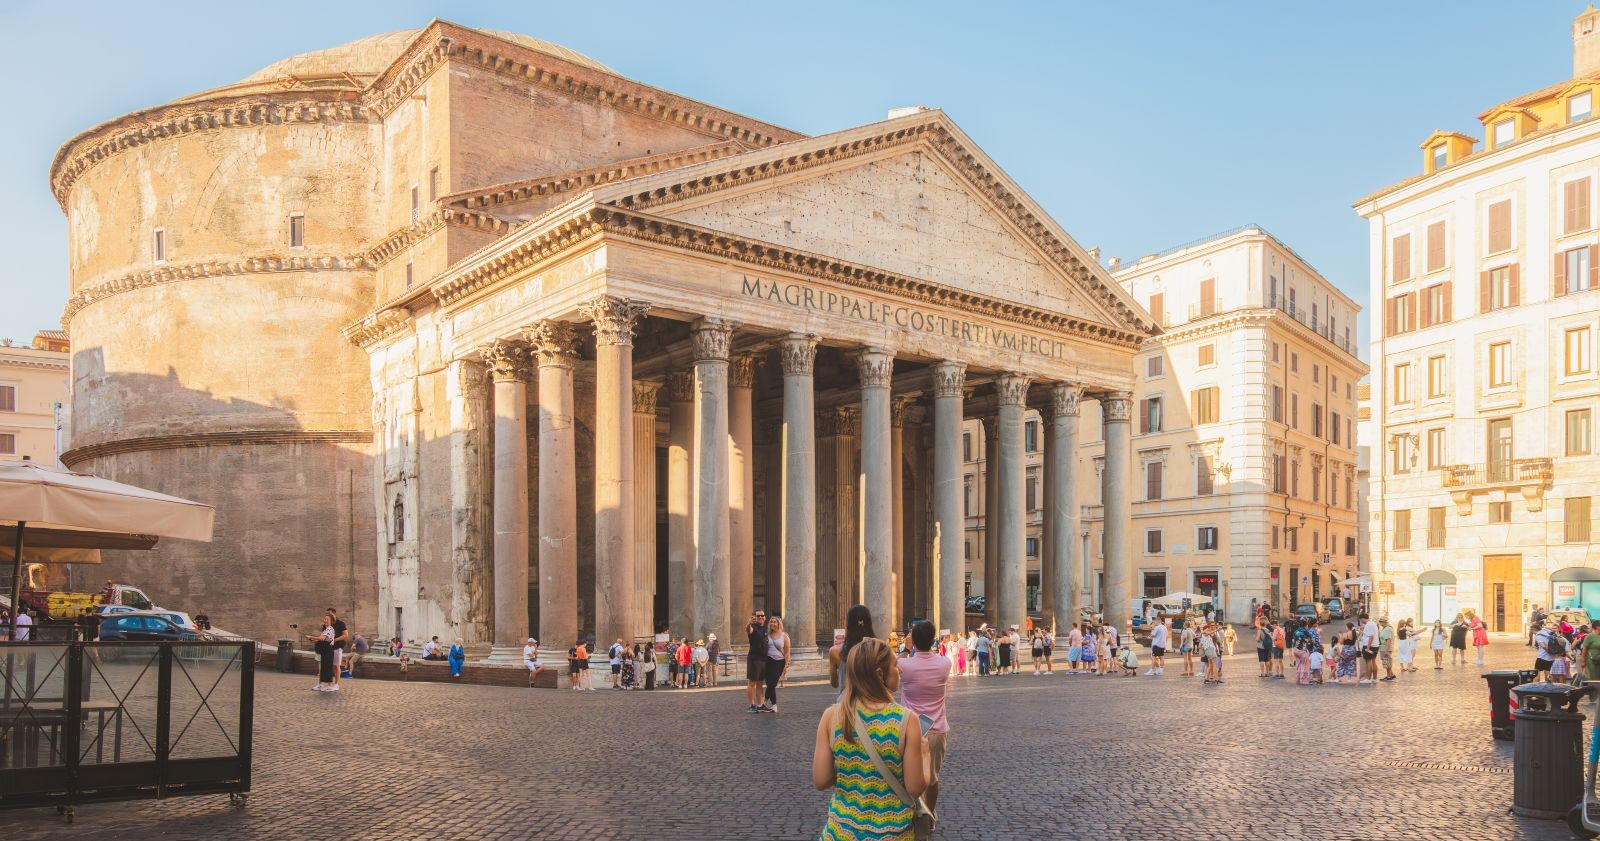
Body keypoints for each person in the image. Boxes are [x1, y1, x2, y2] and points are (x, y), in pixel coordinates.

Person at [811, 638, 926, 841]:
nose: (899, 671)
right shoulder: (907, 720)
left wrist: (853, 763)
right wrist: (925, 756)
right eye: (895, 665)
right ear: (880, 674)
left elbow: (821, 780)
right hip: (892, 833)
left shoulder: (831, 716)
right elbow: (915, 787)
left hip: (840, 832)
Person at [898, 620, 950, 815]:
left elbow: (895, 663)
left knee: (908, 775)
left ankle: (915, 812)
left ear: (913, 641)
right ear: (933, 639)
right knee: (933, 778)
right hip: (937, 728)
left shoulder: (903, 664)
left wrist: (906, 648)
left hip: (910, 730)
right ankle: (930, 814)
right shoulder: (945, 663)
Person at [830, 604, 877, 700]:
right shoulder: (878, 649)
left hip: (846, 703)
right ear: (869, 623)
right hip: (871, 701)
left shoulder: (835, 651)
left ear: (848, 624)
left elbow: (834, 683)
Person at [763, 615, 790, 713]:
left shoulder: (784, 636)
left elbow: (787, 652)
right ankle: (774, 705)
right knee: (769, 683)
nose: (772, 624)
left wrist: (787, 665)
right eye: (771, 622)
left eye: (774, 622)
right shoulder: (767, 635)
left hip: (779, 661)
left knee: (773, 683)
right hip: (767, 661)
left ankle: (765, 702)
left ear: (779, 624)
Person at [746, 609, 770, 712]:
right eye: (758, 616)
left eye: (762, 615)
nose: (760, 617)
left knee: (760, 683)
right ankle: (751, 705)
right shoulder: (753, 627)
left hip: (764, 659)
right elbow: (747, 630)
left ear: (765, 617)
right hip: (754, 659)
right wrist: (748, 623)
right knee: (752, 683)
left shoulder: (766, 627)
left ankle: (760, 704)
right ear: (754, 617)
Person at [305, 615, 336, 692]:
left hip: (328, 649)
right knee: (323, 667)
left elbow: (322, 638)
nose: (325, 620)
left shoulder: (330, 628)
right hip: (325, 649)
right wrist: (313, 640)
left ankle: (329, 686)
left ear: (331, 621)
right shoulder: (325, 629)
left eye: (327, 619)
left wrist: (311, 636)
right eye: (324, 619)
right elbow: (322, 640)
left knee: (328, 667)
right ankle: (321, 684)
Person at [326, 608, 349, 691]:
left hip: (338, 647)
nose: (328, 615)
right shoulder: (327, 624)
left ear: (334, 614)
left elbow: (346, 635)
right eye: (327, 614)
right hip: (328, 648)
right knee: (329, 666)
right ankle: (329, 684)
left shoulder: (340, 623)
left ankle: (336, 684)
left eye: (329, 614)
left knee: (336, 666)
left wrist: (334, 640)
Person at [1377, 617, 1396, 682]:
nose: (1380, 623)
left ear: (1385, 622)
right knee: (1387, 662)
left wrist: (1386, 651)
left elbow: (1388, 640)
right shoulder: (1386, 628)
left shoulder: (1387, 629)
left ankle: (1388, 676)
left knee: (1387, 662)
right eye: (1380, 621)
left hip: (1385, 648)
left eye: (1381, 621)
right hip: (1384, 647)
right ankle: (1392, 675)